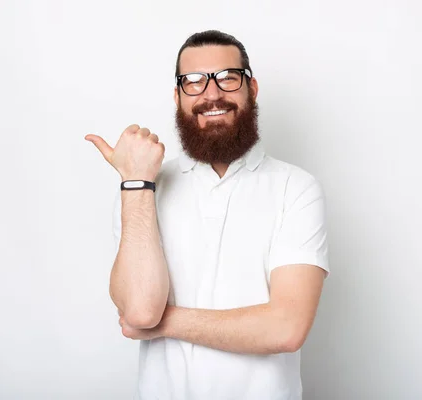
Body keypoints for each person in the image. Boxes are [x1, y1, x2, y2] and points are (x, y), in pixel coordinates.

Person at [85, 30, 330, 400]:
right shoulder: (145, 189)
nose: (211, 94)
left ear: (252, 88)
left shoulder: (295, 188)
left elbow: (286, 328)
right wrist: (135, 183)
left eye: (227, 78)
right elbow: (138, 309)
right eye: (194, 82)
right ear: (178, 96)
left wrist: (161, 324)